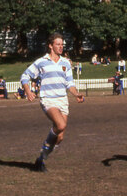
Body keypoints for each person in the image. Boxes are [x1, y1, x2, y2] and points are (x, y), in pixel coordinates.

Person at [21, 33, 86, 172]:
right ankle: (43, 153)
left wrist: (76, 94)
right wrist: (28, 91)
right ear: (50, 46)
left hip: (62, 100)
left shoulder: (65, 63)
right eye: (58, 44)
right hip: (48, 99)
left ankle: (41, 159)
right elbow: (25, 76)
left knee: (60, 137)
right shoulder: (41, 62)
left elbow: (70, 83)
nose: (61, 47)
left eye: (62, 44)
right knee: (60, 125)